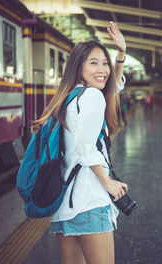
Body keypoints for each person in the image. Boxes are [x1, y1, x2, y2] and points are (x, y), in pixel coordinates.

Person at [33, 21, 128, 264]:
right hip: (89, 200)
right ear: (80, 66)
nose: (102, 69)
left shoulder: (69, 96)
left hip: (64, 205)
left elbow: (111, 86)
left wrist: (120, 55)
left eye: (104, 63)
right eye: (94, 63)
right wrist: (108, 182)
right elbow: (86, 147)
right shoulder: (92, 97)